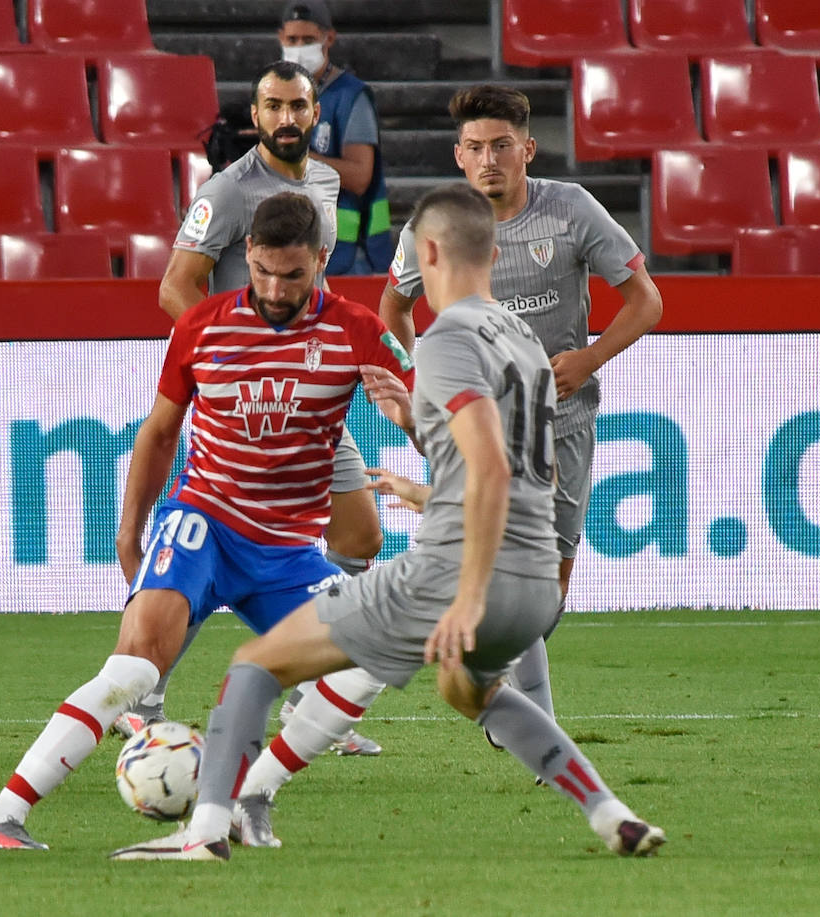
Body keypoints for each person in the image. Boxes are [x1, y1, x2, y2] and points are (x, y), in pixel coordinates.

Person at [109, 184, 665, 863]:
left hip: (460, 574)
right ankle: (614, 814)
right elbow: (525, 474)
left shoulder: (448, 339)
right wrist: (430, 487)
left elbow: (488, 467)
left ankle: (202, 833)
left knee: (255, 664)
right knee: (473, 691)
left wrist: (464, 589)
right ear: (494, 251)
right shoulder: (522, 337)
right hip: (535, 577)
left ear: (428, 252)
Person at [234, 83, 665, 803]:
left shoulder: (570, 211)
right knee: (472, 588)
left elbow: (647, 301)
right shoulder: (432, 228)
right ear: (457, 154)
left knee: (540, 598)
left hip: (559, 427)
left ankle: (489, 704)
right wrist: (422, 387)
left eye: (503, 146)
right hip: (472, 426)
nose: (489, 159)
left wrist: (587, 359)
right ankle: (529, 726)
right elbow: (393, 307)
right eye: (475, 147)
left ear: (527, 148)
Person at [0, 192, 414, 851]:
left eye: (292, 274)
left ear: (321, 259)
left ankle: (251, 795)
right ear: (247, 257)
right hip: (202, 524)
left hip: (286, 548)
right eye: (261, 270)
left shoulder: (359, 330)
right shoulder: (203, 325)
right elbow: (160, 433)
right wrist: (129, 527)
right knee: (135, 667)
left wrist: (406, 415)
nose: (275, 288)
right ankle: (1, 818)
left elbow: (437, 431)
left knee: (372, 654)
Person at [133, 59, 392, 756]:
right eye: (272, 105)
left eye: (297, 106)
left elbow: (316, 277)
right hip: (239, 401)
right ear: (255, 115)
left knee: (361, 535)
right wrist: (233, 361)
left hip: (304, 393)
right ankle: (143, 691)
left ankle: (310, 689)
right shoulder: (227, 189)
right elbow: (174, 287)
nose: (285, 117)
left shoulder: (327, 181)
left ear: (315, 115)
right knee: (204, 556)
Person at [278, 0, 391, 275]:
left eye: (308, 39)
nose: (299, 47)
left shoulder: (351, 97)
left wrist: (297, 157)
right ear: (280, 38)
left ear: (329, 38)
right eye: (292, 39)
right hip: (289, 248)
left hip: (347, 255)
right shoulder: (273, 93)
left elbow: (360, 177)